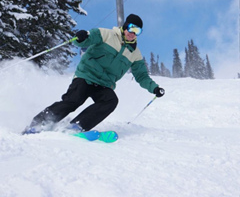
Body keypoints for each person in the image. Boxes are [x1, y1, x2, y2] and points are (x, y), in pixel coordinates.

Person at [23, 14, 165, 134]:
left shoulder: (135, 54)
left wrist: (154, 88)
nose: (132, 33)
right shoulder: (106, 34)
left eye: (137, 31)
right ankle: (38, 124)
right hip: (86, 75)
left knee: (110, 101)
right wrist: (81, 37)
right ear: (125, 26)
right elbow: (86, 40)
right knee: (74, 100)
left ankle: (77, 126)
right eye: (130, 28)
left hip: (104, 84)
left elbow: (141, 76)